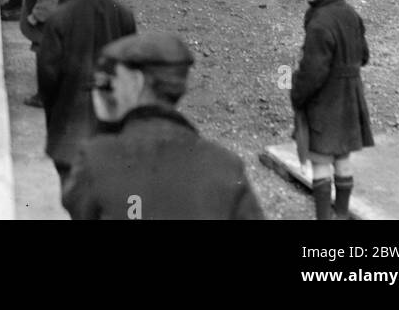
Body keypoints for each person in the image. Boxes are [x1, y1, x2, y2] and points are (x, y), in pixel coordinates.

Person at [63, 32, 265, 220]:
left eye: (114, 82)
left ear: (136, 82)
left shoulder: (96, 157)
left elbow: (77, 207)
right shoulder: (226, 165)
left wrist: (105, 122)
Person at [37, 0, 136, 182]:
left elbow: (47, 73)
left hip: (69, 123)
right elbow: (131, 65)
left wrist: (52, 111)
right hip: (110, 119)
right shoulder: (122, 13)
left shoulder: (60, 15)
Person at [290, 0, 374, 220]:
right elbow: (364, 56)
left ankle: (324, 218)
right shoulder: (352, 15)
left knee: (321, 160)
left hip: (325, 99)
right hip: (350, 96)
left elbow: (314, 70)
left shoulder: (319, 22)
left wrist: (298, 94)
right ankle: (341, 213)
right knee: (342, 157)